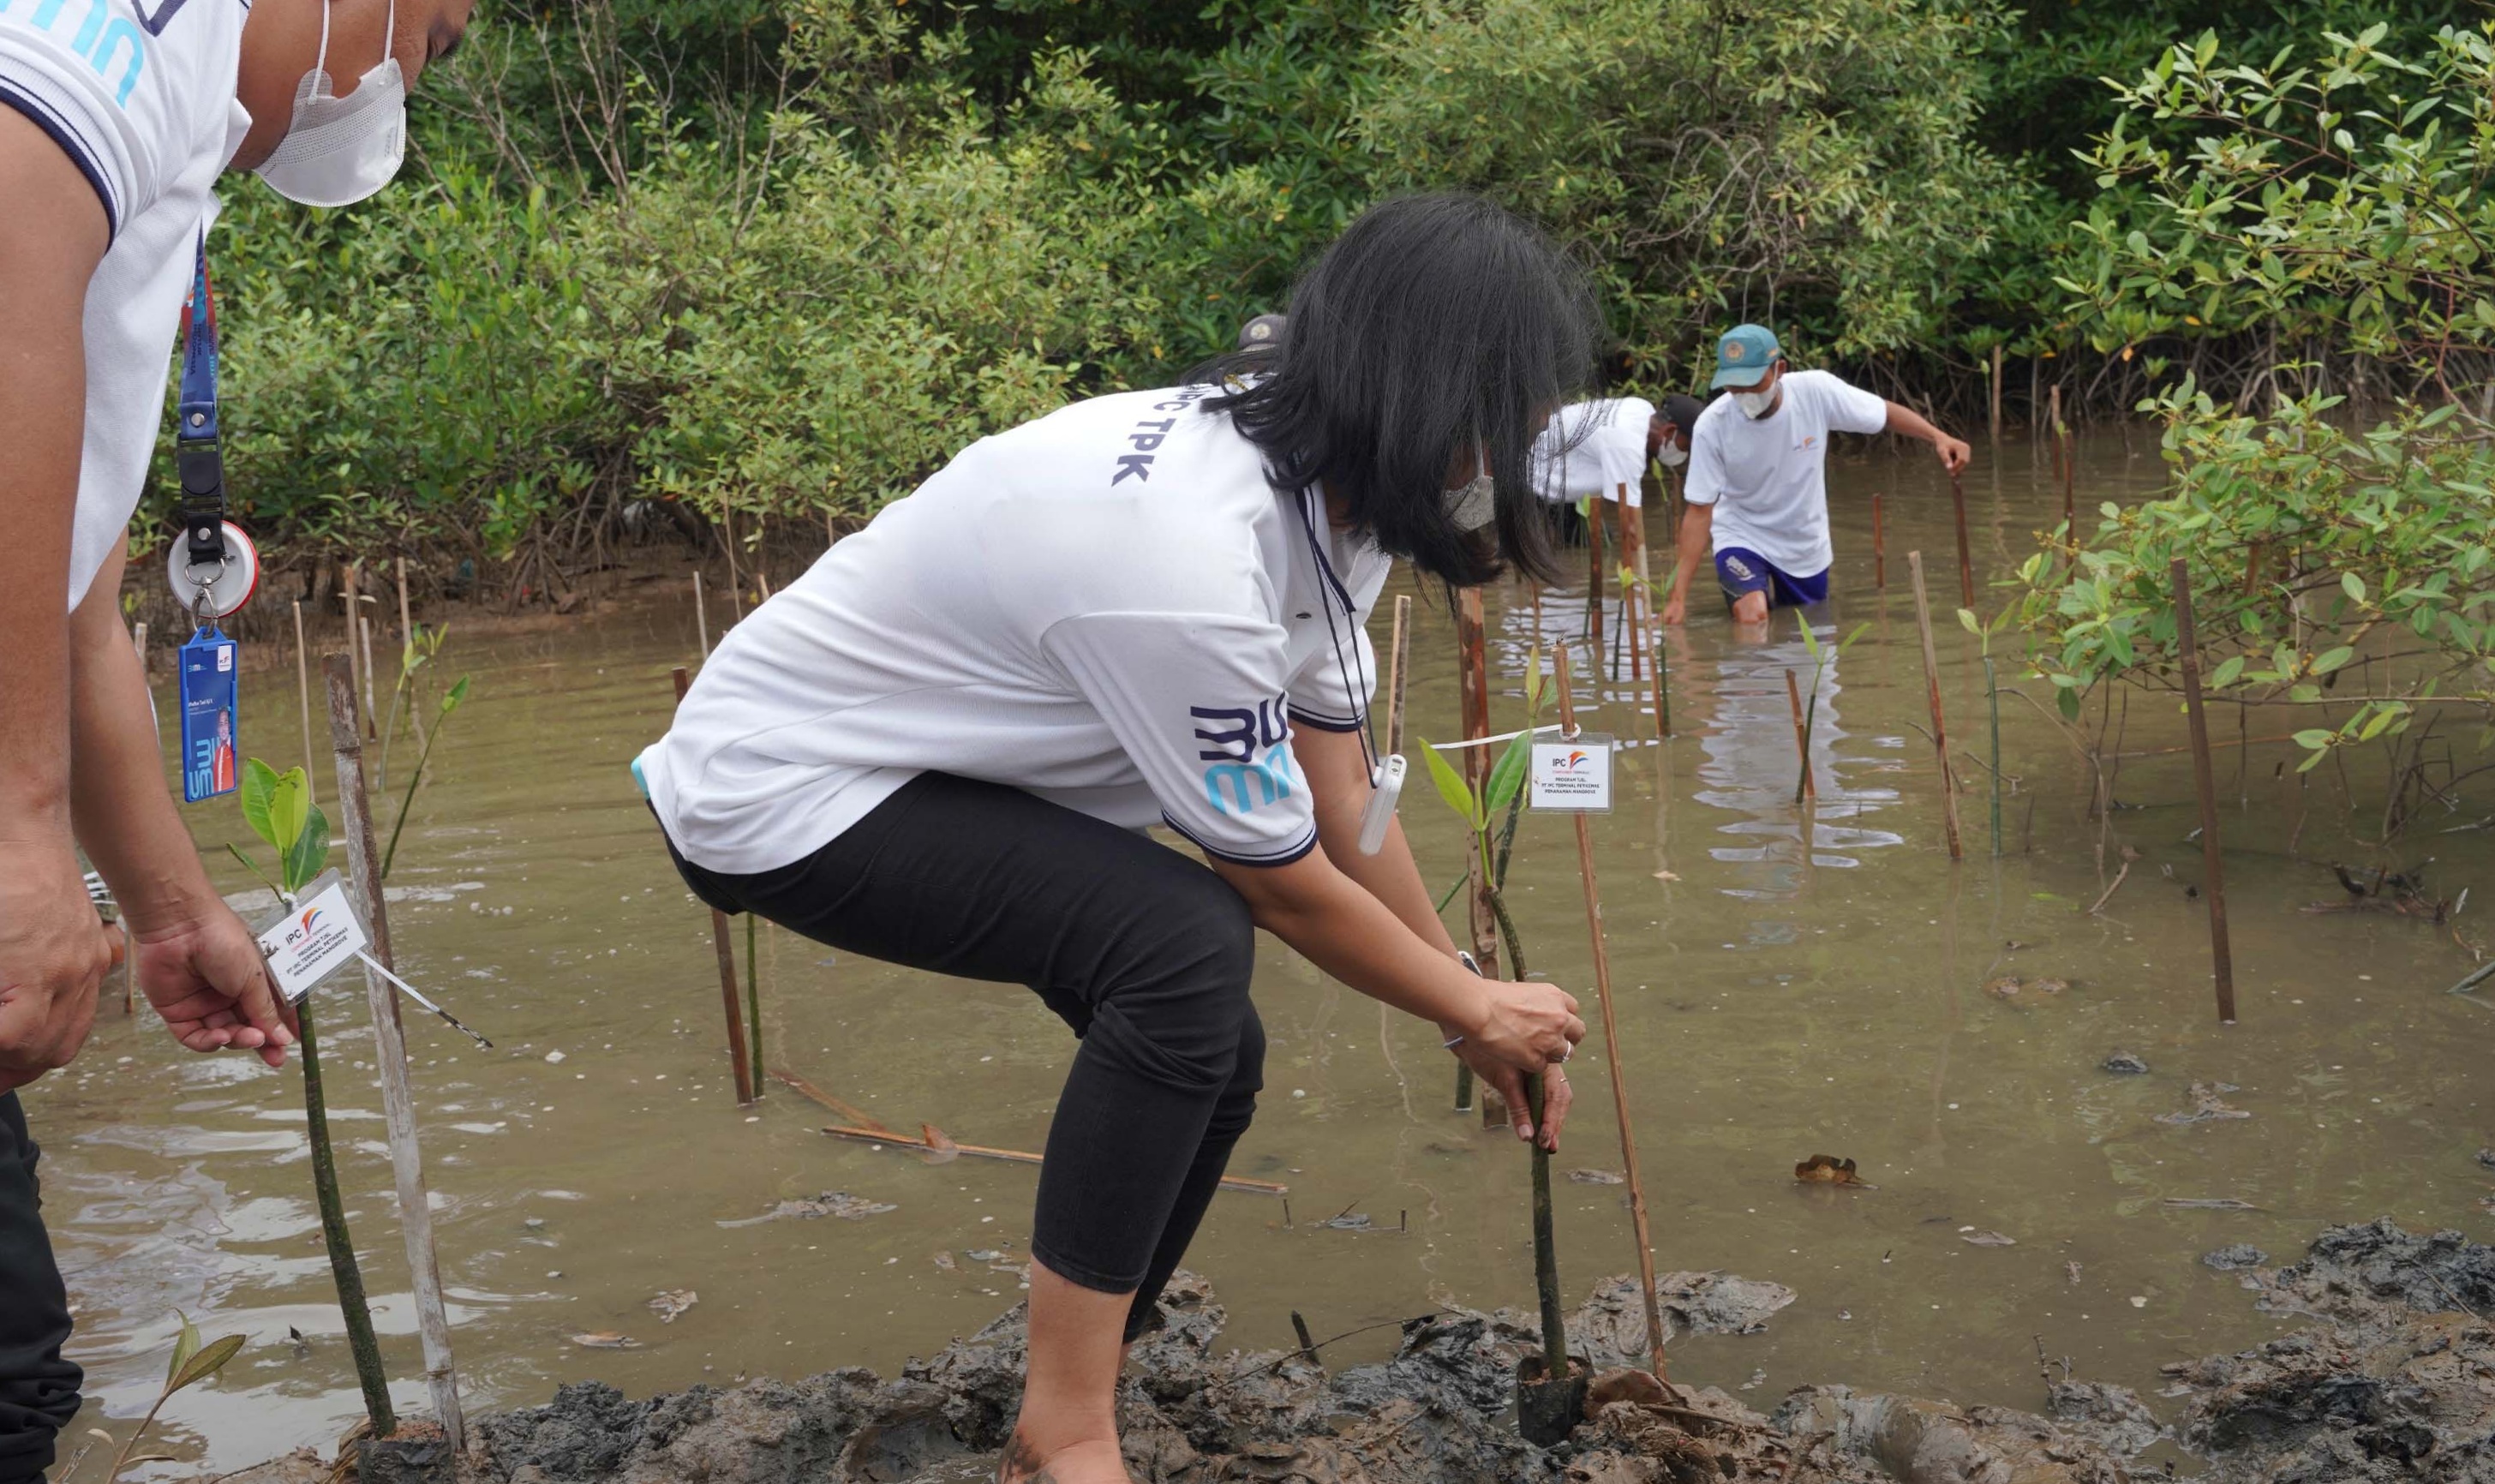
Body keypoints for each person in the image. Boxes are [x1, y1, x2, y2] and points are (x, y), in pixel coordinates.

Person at [637, 193, 1595, 1484]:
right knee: (1186, 947)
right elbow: (1287, 890)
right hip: (779, 788)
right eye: (1520, 414)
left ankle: (1076, 1376)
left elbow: (1333, 793)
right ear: (1440, 400)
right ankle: (1066, 1429)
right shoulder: (1183, 555)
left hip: (926, 763)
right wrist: (1475, 1012)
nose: (1526, 449)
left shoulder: (1331, 497)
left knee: (1213, 1046)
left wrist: (1462, 1003)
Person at [0, 2, 474, 1477]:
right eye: (436, 37)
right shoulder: (122, 35)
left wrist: (169, 903)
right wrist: (19, 832)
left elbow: (70, 589)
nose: (397, 79)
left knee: (12, 1372)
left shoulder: (165, 142)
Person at [1660, 325, 1970, 627]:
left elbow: (1883, 413)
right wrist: (1678, 597)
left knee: (1805, 628)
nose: (1743, 395)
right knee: (1752, 617)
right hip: (1741, 532)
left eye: (1752, 383)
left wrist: (1938, 437)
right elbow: (1700, 512)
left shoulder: (1816, 392)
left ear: (1779, 368)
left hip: (1803, 541)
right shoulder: (1712, 426)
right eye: (1733, 386)